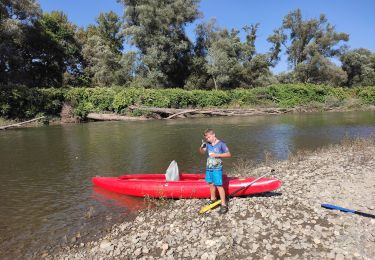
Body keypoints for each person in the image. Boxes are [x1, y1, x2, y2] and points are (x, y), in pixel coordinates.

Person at [199, 128, 231, 214]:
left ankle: (224, 205)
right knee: (211, 184)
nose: (208, 139)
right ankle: (213, 199)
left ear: (213, 135)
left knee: (219, 185)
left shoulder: (221, 144)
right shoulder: (208, 144)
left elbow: (228, 154)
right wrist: (201, 148)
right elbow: (202, 153)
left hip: (217, 168)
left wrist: (216, 154)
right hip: (209, 168)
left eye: (209, 137)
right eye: (206, 138)